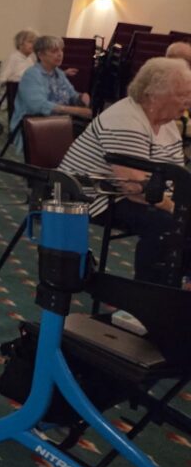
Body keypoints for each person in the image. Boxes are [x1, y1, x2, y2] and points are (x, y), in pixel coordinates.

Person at [59, 58, 191, 286]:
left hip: (131, 194)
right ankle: (147, 299)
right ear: (153, 94)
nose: (188, 101)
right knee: (167, 225)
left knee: (181, 221)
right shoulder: (125, 120)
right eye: (182, 95)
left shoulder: (167, 123)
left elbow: (175, 174)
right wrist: (178, 209)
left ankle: (178, 292)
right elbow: (134, 188)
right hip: (94, 194)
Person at [10, 35, 91, 145]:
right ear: (40, 55)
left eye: (61, 50)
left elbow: (72, 95)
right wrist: (76, 110)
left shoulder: (59, 73)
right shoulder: (32, 75)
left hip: (59, 122)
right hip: (34, 125)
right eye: (54, 51)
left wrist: (81, 97)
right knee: (88, 140)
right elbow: (39, 106)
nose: (60, 54)